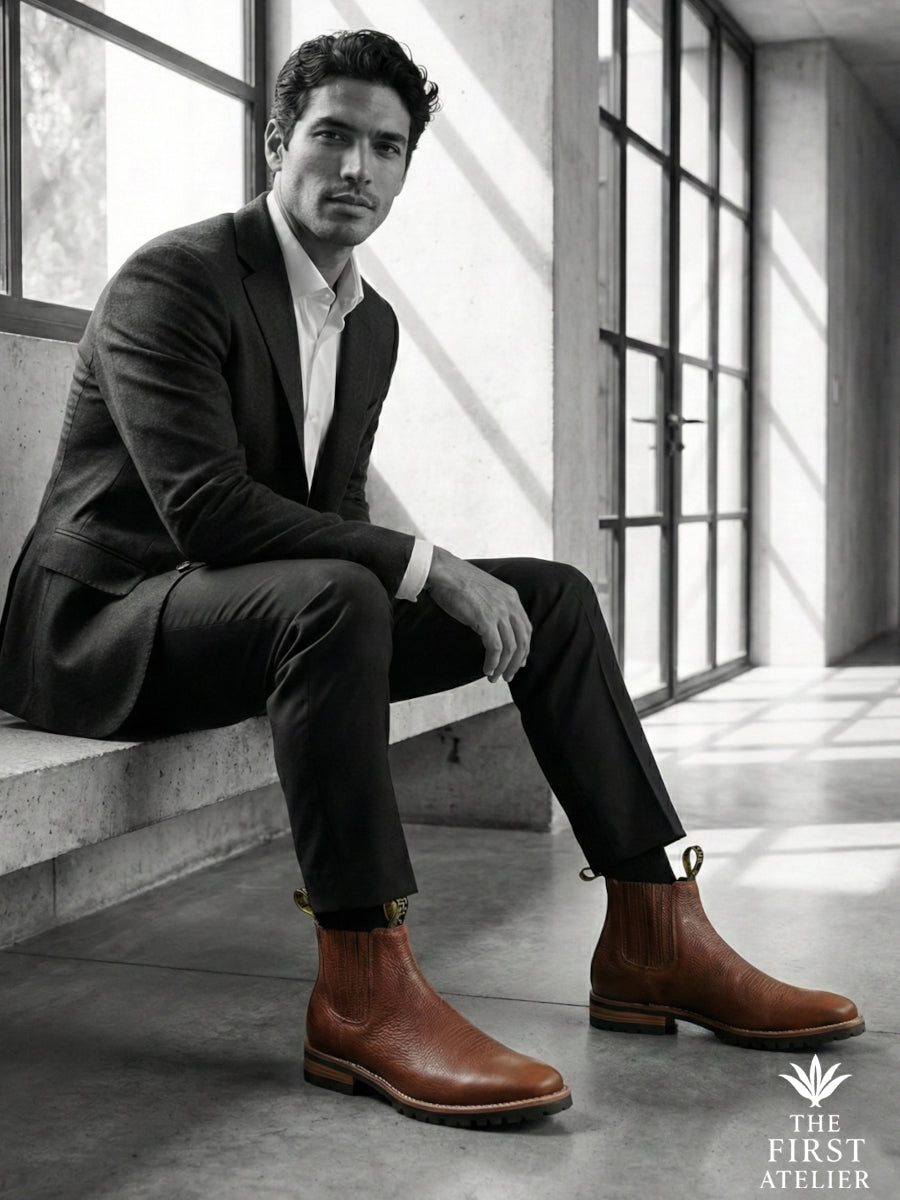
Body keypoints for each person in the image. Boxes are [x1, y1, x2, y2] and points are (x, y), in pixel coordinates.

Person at [0, 30, 864, 1128]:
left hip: (259, 617)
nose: (358, 168)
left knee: (552, 597)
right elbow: (206, 510)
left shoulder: (372, 327)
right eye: (333, 137)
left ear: (407, 166)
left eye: (387, 147)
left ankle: (655, 929)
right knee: (345, 593)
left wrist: (429, 577)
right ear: (278, 143)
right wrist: (427, 568)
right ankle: (363, 990)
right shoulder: (175, 280)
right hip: (105, 627)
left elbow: (332, 513)